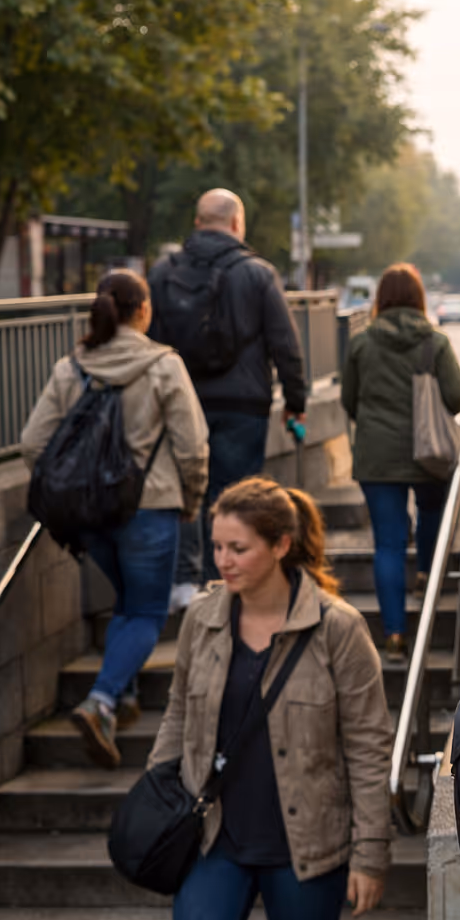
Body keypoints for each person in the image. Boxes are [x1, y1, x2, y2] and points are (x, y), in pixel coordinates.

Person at [151, 477, 392, 920]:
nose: (223, 560)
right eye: (217, 546)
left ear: (281, 545)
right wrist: (157, 802)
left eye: (238, 548)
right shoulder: (202, 619)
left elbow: (369, 747)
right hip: (212, 838)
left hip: (307, 849)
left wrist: (369, 855)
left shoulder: (337, 628)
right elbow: (177, 713)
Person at [20, 269, 209, 767]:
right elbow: (191, 447)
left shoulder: (72, 367)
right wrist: (190, 498)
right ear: (144, 309)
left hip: (91, 516)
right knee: (148, 611)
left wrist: (71, 487)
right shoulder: (163, 365)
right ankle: (101, 701)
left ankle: (122, 697)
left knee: (126, 601)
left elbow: (32, 445)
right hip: (151, 507)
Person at [149, 188, 309, 610]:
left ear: (198, 223)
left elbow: (147, 341)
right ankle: (228, 587)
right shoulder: (257, 274)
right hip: (243, 404)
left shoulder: (163, 272)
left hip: (180, 403)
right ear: (236, 224)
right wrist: (296, 398)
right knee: (235, 496)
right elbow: (284, 343)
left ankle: (185, 583)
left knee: (187, 490)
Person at [340, 263, 460, 662]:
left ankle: (394, 636)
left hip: (377, 456)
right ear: (418, 298)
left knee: (388, 544)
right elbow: (457, 398)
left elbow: (349, 399)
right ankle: (427, 574)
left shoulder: (361, 343)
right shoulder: (436, 342)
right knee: (431, 509)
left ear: (381, 298)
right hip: (427, 450)